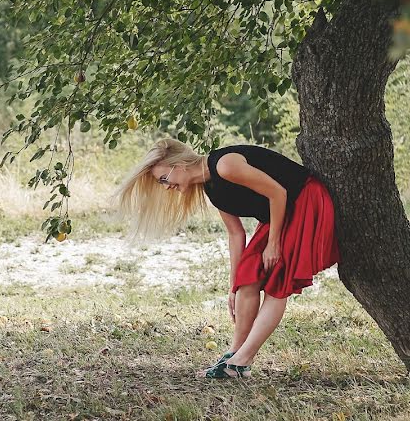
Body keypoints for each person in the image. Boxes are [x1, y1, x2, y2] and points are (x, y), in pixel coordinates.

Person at [117, 139, 339, 379]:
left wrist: (273, 244)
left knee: (278, 281)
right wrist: (233, 286)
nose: (165, 186)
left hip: (303, 201)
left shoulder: (225, 165)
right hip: (280, 215)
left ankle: (242, 361)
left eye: (163, 179)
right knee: (247, 277)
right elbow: (236, 234)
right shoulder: (211, 188)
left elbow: (278, 193)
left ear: (178, 164)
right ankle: (234, 353)